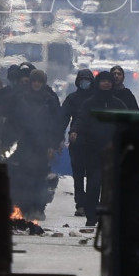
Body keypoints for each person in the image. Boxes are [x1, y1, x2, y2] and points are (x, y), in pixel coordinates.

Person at [69, 71, 128, 226]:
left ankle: (106, 216)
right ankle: (91, 216)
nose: (106, 83)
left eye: (109, 81)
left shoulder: (118, 104)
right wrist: (74, 131)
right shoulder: (89, 103)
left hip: (113, 150)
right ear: (98, 83)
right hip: (93, 149)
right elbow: (81, 119)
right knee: (94, 183)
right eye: (103, 81)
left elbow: (126, 121)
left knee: (110, 185)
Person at [3, 68, 62, 221]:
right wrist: (7, 140)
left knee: (40, 177)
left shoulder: (50, 100)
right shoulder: (22, 99)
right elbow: (13, 121)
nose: (36, 84)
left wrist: (53, 144)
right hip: (25, 143)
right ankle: (25, 208)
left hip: (43, 144)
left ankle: (38, 207)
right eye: (34, 81)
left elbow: (56, 124)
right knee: (24, 176)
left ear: (43, 83)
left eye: (39, 81)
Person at [58, 69, 95, 217]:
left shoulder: (97, 98)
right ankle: (80, 204)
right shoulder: (72, 99)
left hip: (94, 140)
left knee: (93, 174)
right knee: (78, 174)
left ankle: (91, 203)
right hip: (77, 140)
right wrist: (59, 136)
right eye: (82, 80)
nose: (85, 83)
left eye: (87, 80)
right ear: (78, 82)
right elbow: (63, 118)